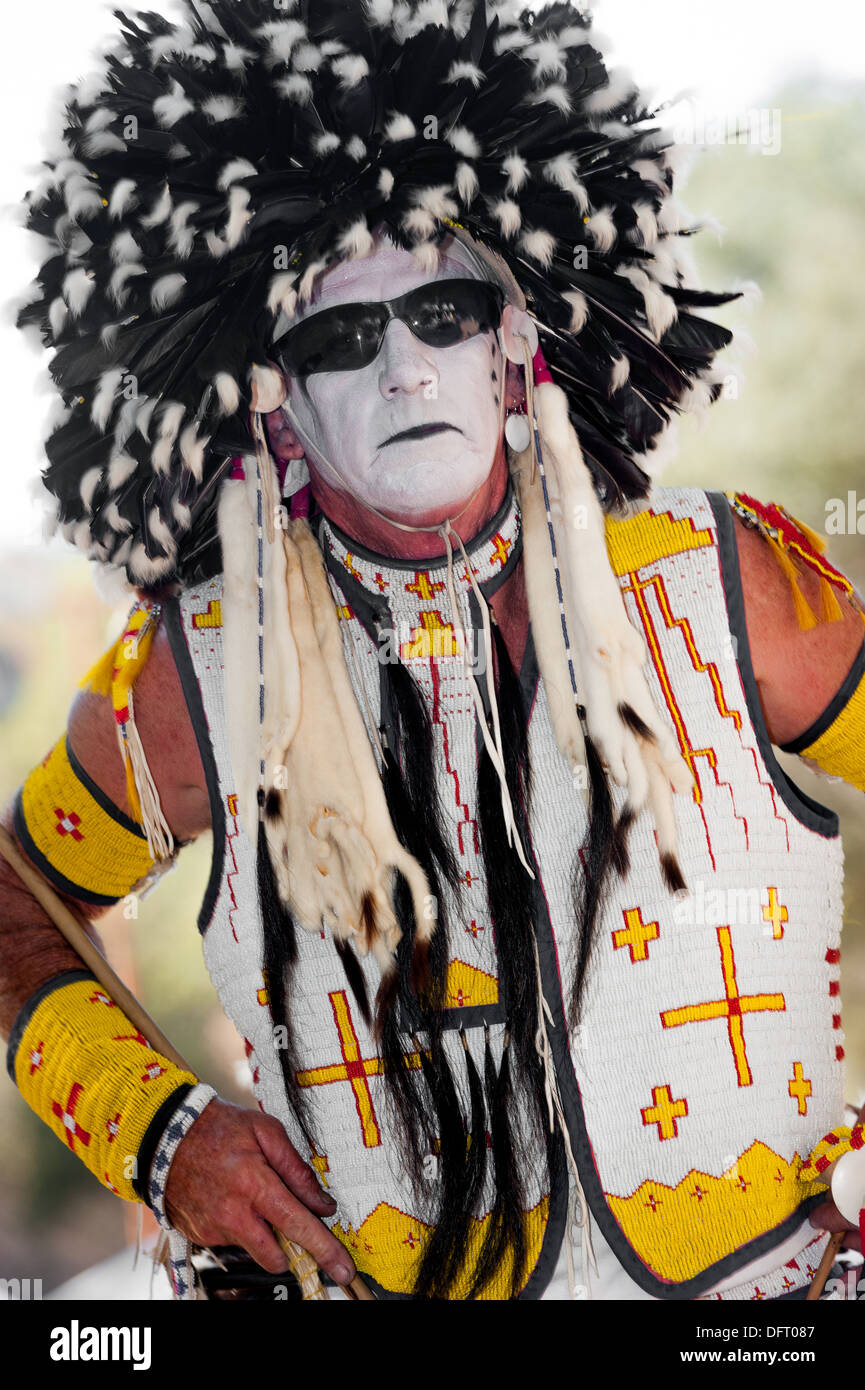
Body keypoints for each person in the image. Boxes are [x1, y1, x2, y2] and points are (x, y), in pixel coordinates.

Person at [2, 0, 864, 1301]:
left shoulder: (730, 582)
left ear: (519, 352)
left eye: (446, 312)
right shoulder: (194, 673)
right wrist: (158, 1127)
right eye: (342, 337)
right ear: (273, 410)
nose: (407, 369)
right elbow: (19, 892)